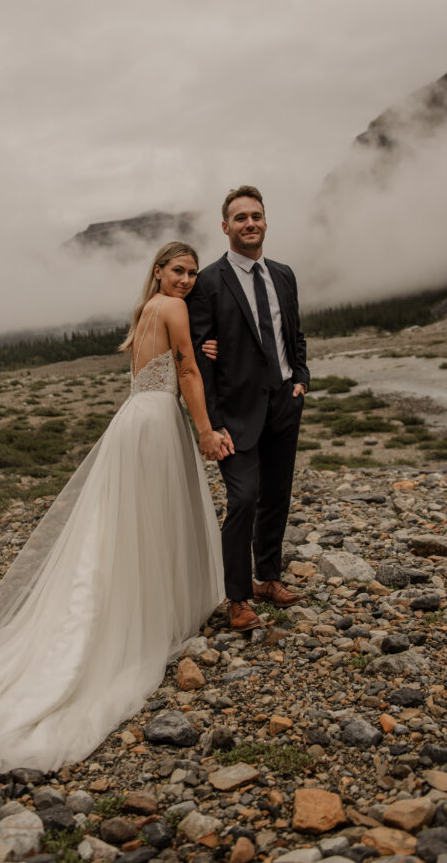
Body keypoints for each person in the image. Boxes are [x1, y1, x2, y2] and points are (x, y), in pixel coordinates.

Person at [0, 242, 230, 771]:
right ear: (158, 272)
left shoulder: (144, 311)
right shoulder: (173, 307)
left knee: (128, 522)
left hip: (135, 417)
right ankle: (149, 618)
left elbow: (171, 361)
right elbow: (184, 374)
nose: (186, 280)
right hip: (158, 420)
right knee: (154, 517)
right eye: (178, 271)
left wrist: (197, 351)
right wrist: (204, 429)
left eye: (192, 274)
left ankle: (140, 607)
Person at [187, 187, 310, 632]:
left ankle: (268, 578)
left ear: (265, 221)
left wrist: (301, 379)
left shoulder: (284, 274)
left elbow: (294, 333)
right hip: (235, 413)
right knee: (242, 501)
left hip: (283, 402)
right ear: (225, 227)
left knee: (277, 496)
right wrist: (212, 422)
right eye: (240, 218)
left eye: (256, 216)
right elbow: (200, 357)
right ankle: (237, 598)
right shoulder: (209, 282)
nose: (250, 223)